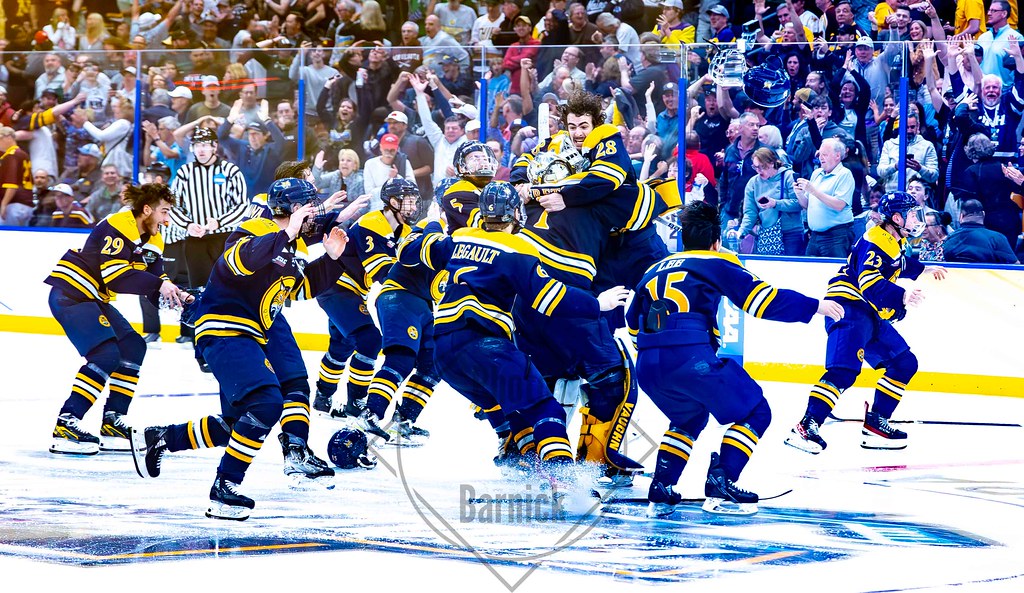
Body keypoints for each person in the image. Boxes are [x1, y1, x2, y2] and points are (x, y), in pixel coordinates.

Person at [131, 178, 351, 520]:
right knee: (266, 403)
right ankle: (224, 488)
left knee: (235, 423)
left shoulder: (288, 249)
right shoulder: (253, 230)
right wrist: (286, 233)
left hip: (247, 335)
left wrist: (333, 260)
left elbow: (301, 289)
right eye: (308, 206)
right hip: (223, 330)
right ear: (294, 209)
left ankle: (159, 438)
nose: (313, 213)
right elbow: (242, 261)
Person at [627, 201, 844, 516]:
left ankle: (662, 486)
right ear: (715, 241)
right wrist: (814, 306)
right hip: (689, 355)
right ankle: (722, 482)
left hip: (647, 364)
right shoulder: (716, 263)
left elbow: (633, 324)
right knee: (756, 411)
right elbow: (763, 301)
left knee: (689, 418)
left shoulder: (654, 269)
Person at [413, 180, 630, 477]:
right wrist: (597, 303)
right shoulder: (517, 247)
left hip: (446, 355)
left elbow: (418, 251)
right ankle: (563, 480)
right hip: (485, 344)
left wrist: (432, 225)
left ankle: (524, 470)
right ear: (515, 213)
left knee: (514, 412)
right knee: (546, 409)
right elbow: (550, 297)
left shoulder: (460, 237)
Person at [786, 192, 948, 455]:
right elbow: (869, 280)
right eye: (910, 213)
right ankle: (806, 425)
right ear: (896, 218)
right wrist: (902, 295)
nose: (915, 218)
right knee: (843, 371)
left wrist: (921, 270)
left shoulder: (891, 240)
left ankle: (876, 423)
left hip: (867, 311)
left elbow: (896, 264)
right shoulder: (876, 239)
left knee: (903, 363)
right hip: (847, 307)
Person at [44, 184, 189, 455]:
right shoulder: (119, 223)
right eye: (164, 212)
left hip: (92, 298)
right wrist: (160, 286)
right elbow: (116, 277)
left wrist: (179, 296)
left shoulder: (155, 235)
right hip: (71, 293)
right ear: (146, 210)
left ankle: (112, 421)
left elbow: (156, 277)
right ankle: (67, 423)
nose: (168, 219)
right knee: (106, 355)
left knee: (134, 346)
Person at [795, 138, 857, 258]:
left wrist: (813, 190)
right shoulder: (816, 173)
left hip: (836, 236)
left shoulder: (845, 174)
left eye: (825, 155)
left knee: (835, 272)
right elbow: (806, 205)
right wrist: (799, 193)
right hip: (814, 235)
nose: (820, 158)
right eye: (819, 154)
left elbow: (839, 205)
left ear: (837, 156)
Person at [943, 199, 1019, 263]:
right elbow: (1015, 266)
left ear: (961, 216)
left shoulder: (950, 238)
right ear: (983, 214)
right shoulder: (997, 238)